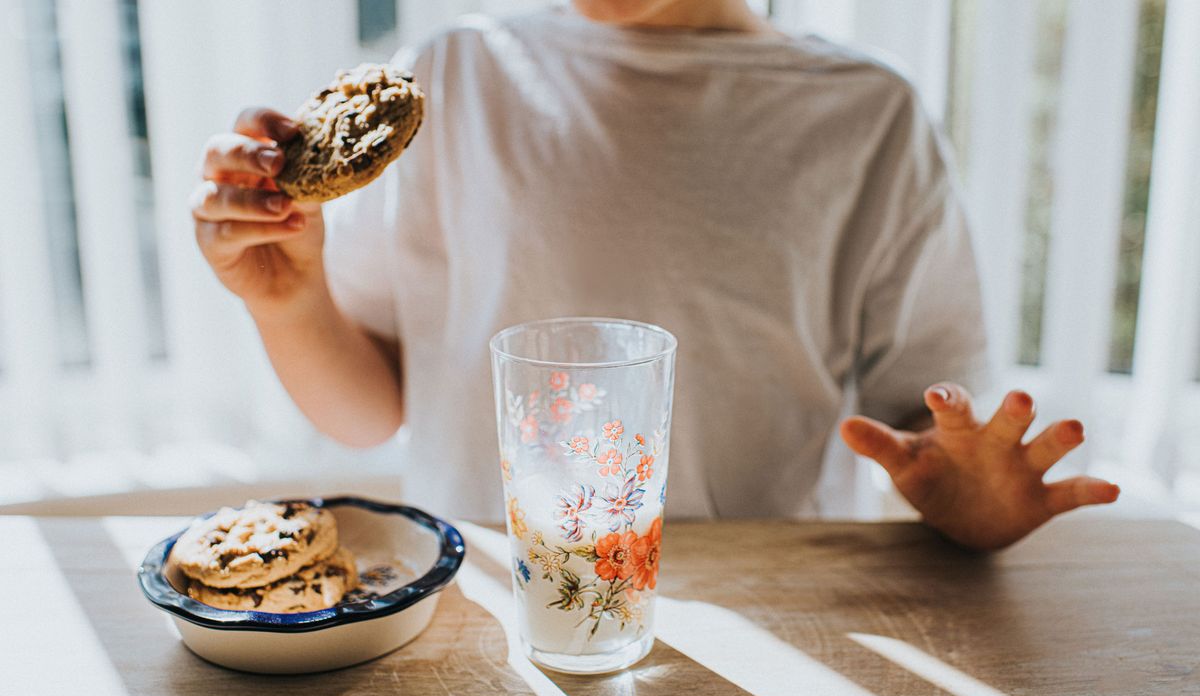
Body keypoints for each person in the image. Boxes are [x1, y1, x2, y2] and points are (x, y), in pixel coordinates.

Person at [190, 0, 1118, 551]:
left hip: (769, 606)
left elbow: (928, 422)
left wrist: (965, 501)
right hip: (491, 595)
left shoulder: (868, 120)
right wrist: (291, 301)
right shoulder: (457, 75)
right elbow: (367, 409)